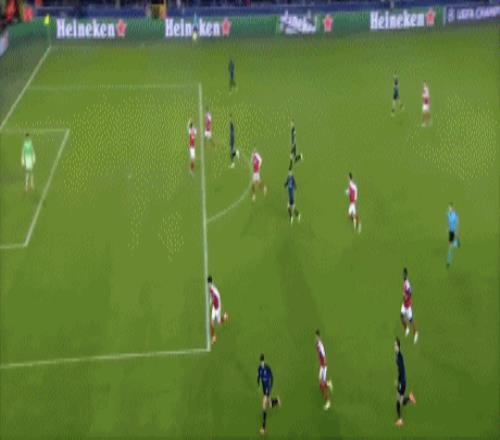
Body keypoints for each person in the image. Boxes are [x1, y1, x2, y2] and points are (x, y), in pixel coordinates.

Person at [394, 338, 416, 427]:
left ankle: (400, 420)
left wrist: (399, 383)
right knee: (400, 400)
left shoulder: (399, 357)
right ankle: (410, 398)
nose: (394, 347)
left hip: (402, 383)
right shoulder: (398, 355)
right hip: (402, 381)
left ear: (398, 347)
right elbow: (400, 371)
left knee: (399, 402)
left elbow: (401, 371)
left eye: (395, 345)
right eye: (394, 345)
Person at [257, 354, 281, 435]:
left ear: (264, 360)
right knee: (269, 405)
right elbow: (259, 376)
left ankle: (263, 428)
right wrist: (258, 384)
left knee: (264, 406)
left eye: (263, 361)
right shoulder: (259, 368)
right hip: (264, 389)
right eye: (261, 361)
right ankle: (276, 401)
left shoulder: (267, 368)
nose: (262, 363)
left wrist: (270, 387)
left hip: (267, 389)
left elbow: (272, 377)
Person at [207, 275, 228, 345]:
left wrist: (212, 301)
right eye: (208, 283)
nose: (209, 284)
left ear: (212, 282)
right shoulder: (210, 288)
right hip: (214, 307)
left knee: (219, 322)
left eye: (209, 283)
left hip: (217, 308)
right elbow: (211, 296)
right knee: (212, 323)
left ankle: (224, 317)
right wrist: (210, 302)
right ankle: (213, 337)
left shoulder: (215, 292)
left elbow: (216, 299)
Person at [315, 330, 333, 410]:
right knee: (320, 383)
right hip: (321, 366)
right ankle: (328, 383)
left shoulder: (320, 346)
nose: (316, 338)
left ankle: (328, 402)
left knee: (321, 386)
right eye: (316, 337)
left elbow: (324, 357)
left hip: (323, 367)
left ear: (319, 337)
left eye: (317, 337)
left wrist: (324, 366)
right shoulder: (318, 344)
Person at [400, 268, 418, 344]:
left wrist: (406, 297)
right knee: (401, 317)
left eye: (404, 274)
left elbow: (410, 293)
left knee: (411, 320)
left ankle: (416, 333)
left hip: (407, 306)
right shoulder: (404, 282)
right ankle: (407, 329)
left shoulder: (407, 283)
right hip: (404, 304)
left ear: (406, 275)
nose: (403, 275)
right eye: (403, 274)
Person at [447, 203, 461, 268]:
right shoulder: (448, 214)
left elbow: (457, 224)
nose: (449, 209)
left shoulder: (455, 216)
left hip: (453, 232)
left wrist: (457, 232)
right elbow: (449, 222)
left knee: (450, 247)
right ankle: (457, 244)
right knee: (450, 245)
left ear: (452, 208)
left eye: (450, 208)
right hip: (450, 232)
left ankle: (448, 262)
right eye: (449, 208)